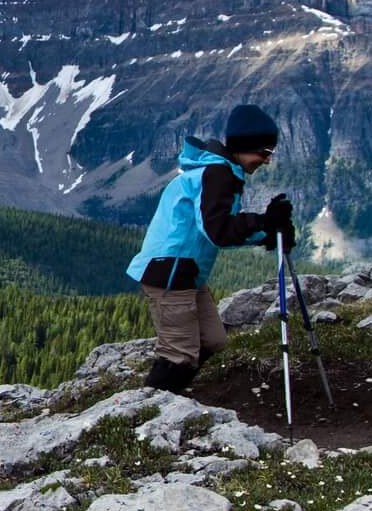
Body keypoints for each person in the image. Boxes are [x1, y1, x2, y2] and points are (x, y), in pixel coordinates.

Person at [125, 105, 293, 392]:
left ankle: (174, 394)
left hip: (184, 273)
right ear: (245, 146)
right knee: (178, 354)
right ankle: (152, 411)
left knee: (212, 340)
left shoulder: (220, 171)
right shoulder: (216, 174)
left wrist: (267, 232)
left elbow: (219, 227)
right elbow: (218, 231)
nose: (266, 161)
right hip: (170, 272)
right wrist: (263, 221)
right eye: (264, 152)